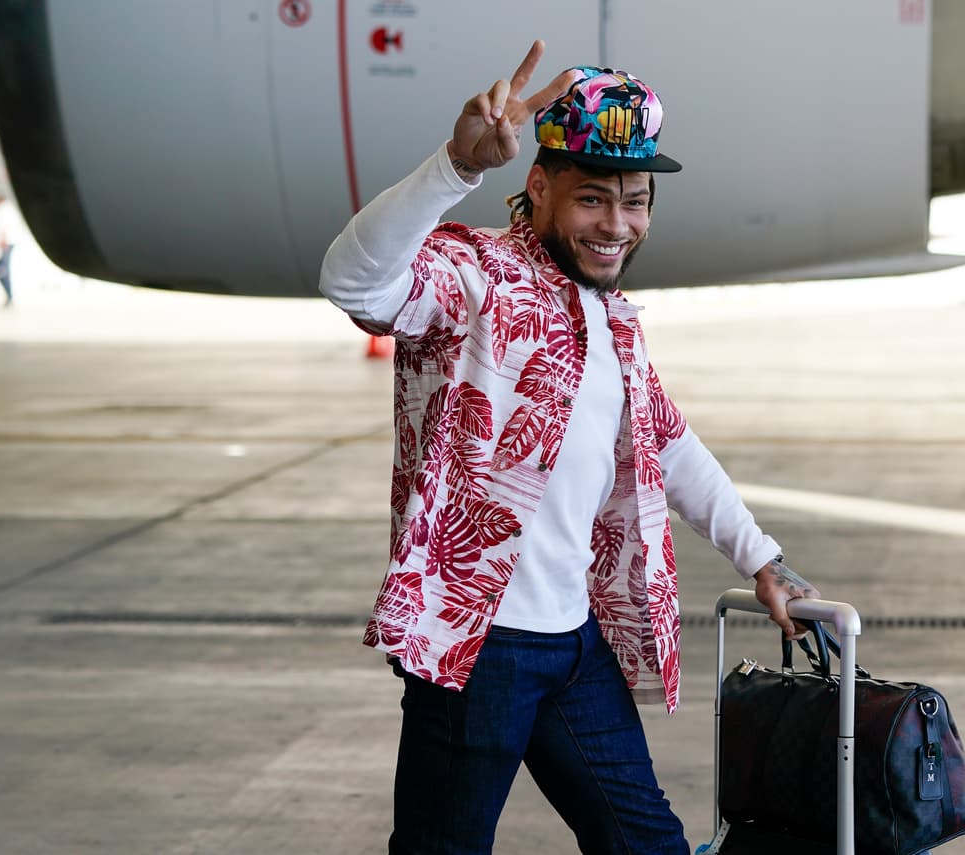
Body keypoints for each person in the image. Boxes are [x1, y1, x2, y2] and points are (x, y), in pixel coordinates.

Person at [319, 40, 820, 855]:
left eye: (635, 202)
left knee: (646, 845)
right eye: (593, 200)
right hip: (477, 645)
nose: (616, 226)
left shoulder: (613, 316)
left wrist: (761, 559)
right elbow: (354, 283)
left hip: (572, 639)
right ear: (540, 187)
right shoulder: (475, 277)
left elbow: (667, 441)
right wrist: (453, 165)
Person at [0, 193, 21, 307]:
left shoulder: (3, 210)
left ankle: (9, 295)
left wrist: (3, 241)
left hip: (5, 244)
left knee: (2, 269)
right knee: (1, 268)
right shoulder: (8, 209)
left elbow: (3, 226)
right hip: (6, 243)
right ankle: (8, 295)